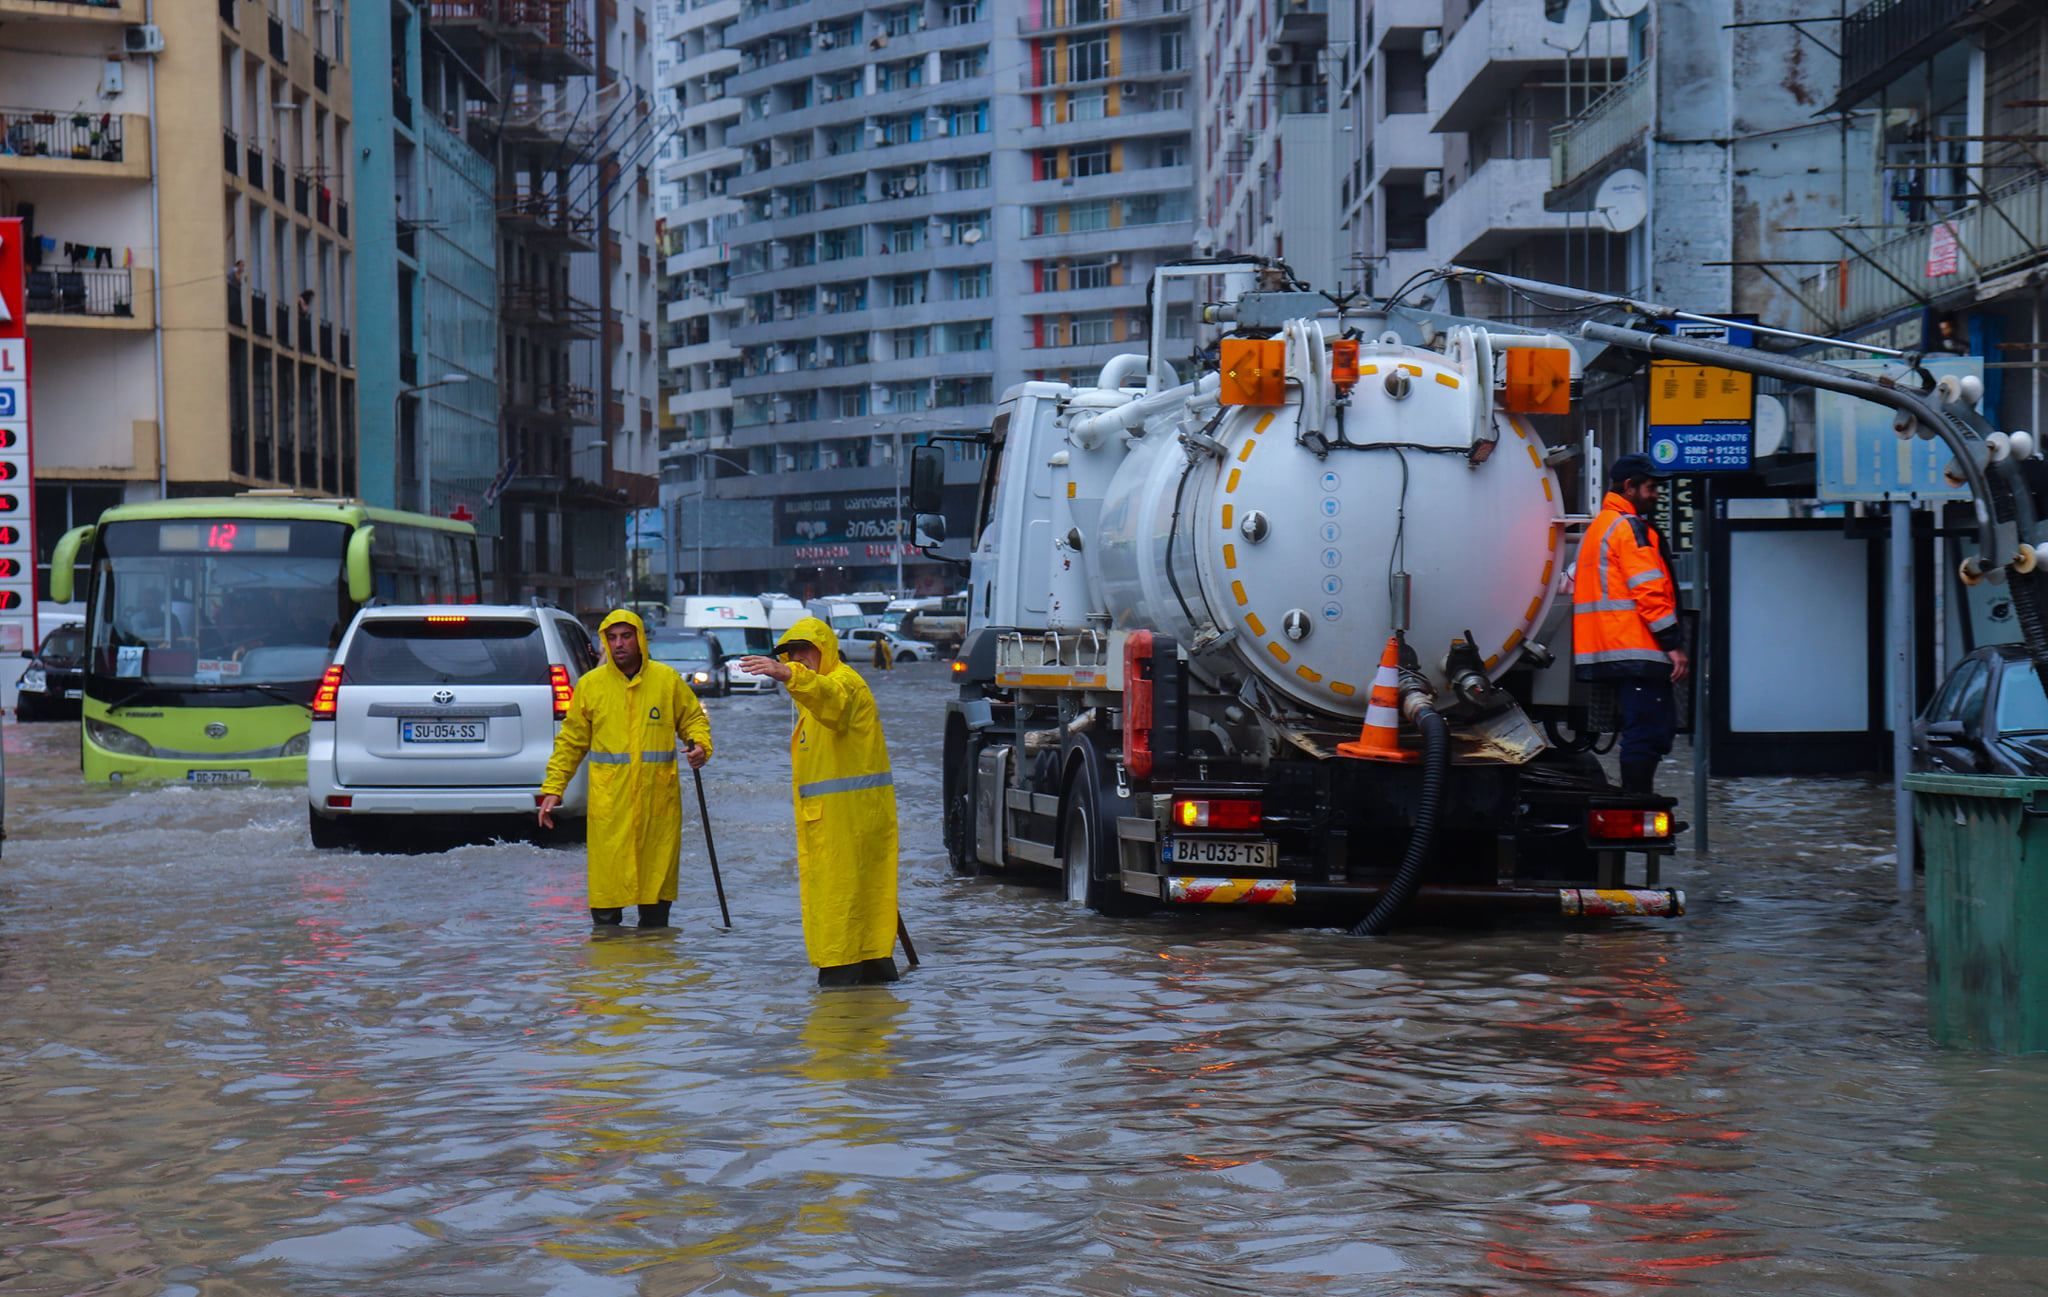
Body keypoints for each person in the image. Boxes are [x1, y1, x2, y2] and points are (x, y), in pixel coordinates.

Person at [738, 617, 901, 986]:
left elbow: (831, 697)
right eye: (790, 653)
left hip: (850, 831)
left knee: (841, 933)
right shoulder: (808, 703)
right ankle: (871, 1002)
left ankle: (840, 1015)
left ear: (824, 650)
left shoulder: (844, 684)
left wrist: (788, 675)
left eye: (803, 651)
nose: (796, 659)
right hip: (837, 829)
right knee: (859, 930)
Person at [539, 609, 712, 930]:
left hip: (657, 810)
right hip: (611, 811)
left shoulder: (666, 681)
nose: (619, 644)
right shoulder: (591, 686)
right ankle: (610, 976)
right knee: (606, 910)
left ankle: (652, 975)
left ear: (640, 639)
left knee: (656, 912)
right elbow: (571, 741)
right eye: (612, 637)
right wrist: (553, 787)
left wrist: (700, 745)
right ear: (605, 641)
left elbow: (693, 719)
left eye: (626, 636)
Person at [1573, 453, 1689, 794]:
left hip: (1608, 649)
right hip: (1637, 650)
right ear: (1630, 487)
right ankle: (1637, 801)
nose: (1656, 495)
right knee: (1648, 730)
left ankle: (1633, 799)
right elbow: (1649, 590)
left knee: (1639, 729)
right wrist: (1673, 644)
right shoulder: (1629, 528)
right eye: (1651, 488)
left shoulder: (1600, 527)